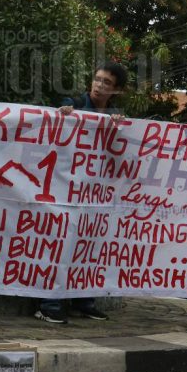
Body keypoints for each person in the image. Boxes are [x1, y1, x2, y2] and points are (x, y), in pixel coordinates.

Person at [35, 62, 130, 325]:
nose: (99, 85)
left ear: (117, 90)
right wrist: (63, 114)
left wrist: (119, 126)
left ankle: (84, 302)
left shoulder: (116, 118)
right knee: (61, 246)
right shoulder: (73, 104)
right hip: (66, 192)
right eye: (97, 79)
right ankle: (48, 304)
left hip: (94, 196)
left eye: (107, 83)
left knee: (89, 249)